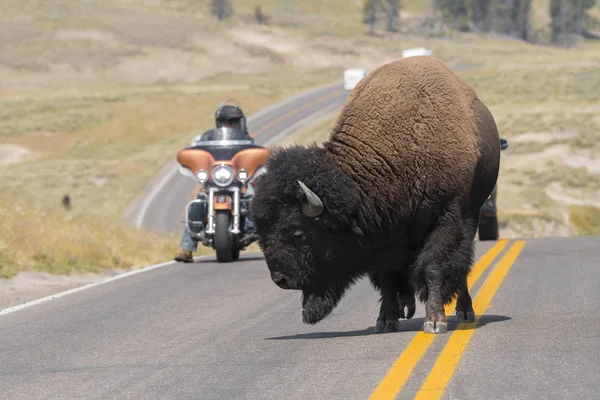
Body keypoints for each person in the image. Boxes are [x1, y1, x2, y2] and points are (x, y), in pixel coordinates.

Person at [174, 101, 257, 263]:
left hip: (240, 184)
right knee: (198, 202)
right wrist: (193, 152)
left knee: (258, 200)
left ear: (240, 122)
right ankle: (187, 249)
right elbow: (197, 152)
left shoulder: (247, 142)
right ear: (219, 123)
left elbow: (255, 159)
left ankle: (271, 244)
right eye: (227, 122)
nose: (230, 125)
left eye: (233, 121)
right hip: (216, 182)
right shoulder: (207, 140)